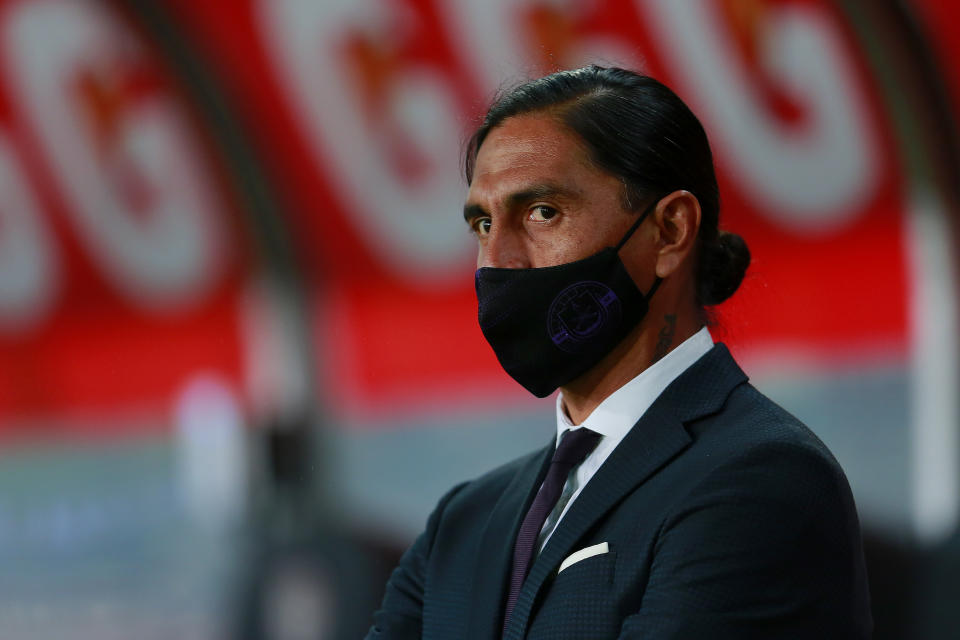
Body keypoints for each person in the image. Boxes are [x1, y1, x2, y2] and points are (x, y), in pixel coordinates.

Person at [366, 65, 872, 639]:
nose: (497, 262)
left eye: (542, 213)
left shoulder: (760, 479)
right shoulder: (465, 520)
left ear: (670, 231)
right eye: (483, 223)